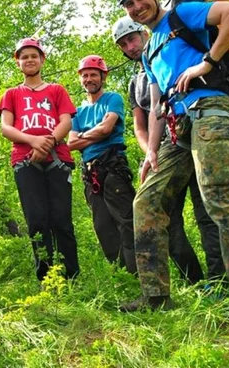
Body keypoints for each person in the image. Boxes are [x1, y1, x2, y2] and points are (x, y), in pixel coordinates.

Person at [118, 0, 229, 311]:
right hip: (177, 127)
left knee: (220, 199)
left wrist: (207, 63)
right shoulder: (148, 52)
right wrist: (152, 152)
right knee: (145, 202)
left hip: (209, 110)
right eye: (128, 4)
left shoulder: (181, 16)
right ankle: (155, 298)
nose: (136, 6)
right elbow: (157, 107)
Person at [112, 16, 224, 284]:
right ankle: (194, 280)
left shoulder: (169, 51)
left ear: (143, 34)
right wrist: (150, 152)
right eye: (123, 44)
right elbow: (141, 124)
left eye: (132, 39)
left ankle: (219, 280)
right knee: (166, 217)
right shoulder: (136, 83)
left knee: (206, 210)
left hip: (193, 131)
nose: (130, 47)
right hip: (163, 150)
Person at [0, 38, 80, 282]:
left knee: (61, 219)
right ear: (18, 63)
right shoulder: (11, 94)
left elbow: (66, 121)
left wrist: (49, 142)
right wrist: (33, 142)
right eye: (24, 57)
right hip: (25, 161)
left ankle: (71, 276)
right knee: (36, 220)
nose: (29, 60)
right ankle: (46, 278)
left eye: (34, 55)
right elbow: (5, 128)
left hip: (57, 159)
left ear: (42, 59)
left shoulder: (57, 90)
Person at [67, 55, 137, 275]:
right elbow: (71, 143)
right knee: (102, 226)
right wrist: (95, 134)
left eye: (93, 75)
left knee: (126, 221)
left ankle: (139, 273)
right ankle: (121, 274)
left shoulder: (113, 99)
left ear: (103, 77)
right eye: (85, 75)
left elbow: (107, 129)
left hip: (113, 165)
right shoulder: (77, 112)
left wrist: (85, 137)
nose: (89, 79)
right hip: (91, 172)